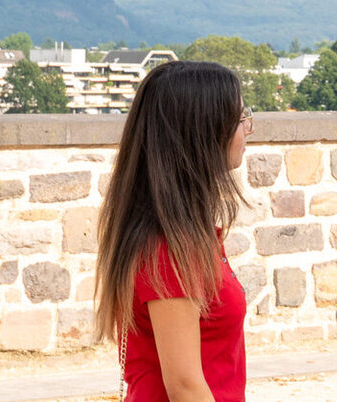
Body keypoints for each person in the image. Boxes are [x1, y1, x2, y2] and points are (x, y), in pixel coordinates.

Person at [92, 60, 253, 402]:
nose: (248, 130)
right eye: (240, 119)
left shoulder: (183, 237)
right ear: (204, 133)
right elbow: (185, 387)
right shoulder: (170, 249)